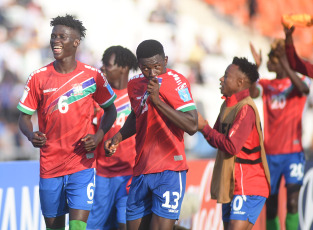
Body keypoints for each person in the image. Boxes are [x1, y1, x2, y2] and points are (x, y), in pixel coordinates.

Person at [17, 15, 117, 230]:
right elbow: (24, 117)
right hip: (50, 165)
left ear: (76, 42)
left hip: (81, 164)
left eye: (62, 37)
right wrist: (29, 134)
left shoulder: (93, 76)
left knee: (78, 227)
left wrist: (98, 136)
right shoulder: (38, 77)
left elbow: (111, 110)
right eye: (53, 36)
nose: (56, 41)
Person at [104, 39, 198, 230]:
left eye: (157, 66)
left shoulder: (177, 82)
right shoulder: (134, 84)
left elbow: (192, 124)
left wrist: (158, 101)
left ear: (166, 60)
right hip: (142, 169)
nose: (152, 72)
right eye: (146, 68)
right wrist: (118, 137)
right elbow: (136, 114)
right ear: (139, 66)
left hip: (169, 169)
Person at [198, 57, 271, 230]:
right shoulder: (227, 104)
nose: (221, 79)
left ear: (239, 82)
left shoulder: (245, 108)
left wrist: (204, 128)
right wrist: (201, 128)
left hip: (249, 183)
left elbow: (231, 146)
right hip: (231, 183)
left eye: (226, 75)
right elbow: (216, 139)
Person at [250, 39, 310, 230]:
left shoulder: (299, 82)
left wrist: (286, 60)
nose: (269, 62)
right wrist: (255, 68)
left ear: (281, 60)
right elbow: (252, 92)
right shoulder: (267, 85)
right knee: (271, 205)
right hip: (270, 154)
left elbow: (305, 90)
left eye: (272, 59)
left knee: (292, 200)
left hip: (293, 153)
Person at [87, 45, 138, 230]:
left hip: (130, 174)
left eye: (107, 65)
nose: (103, 69)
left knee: (125, 224)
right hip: (102, 175)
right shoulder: (97, 98)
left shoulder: (137, 97)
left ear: (123, 68)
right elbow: (90, 135)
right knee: (94, 226)